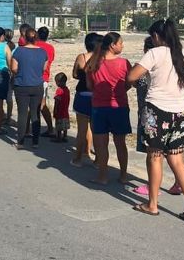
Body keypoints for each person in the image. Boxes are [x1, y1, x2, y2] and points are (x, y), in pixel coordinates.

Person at [127, 19, 184, 224]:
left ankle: (152, 204)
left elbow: (132, 76)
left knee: (155, 157)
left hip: (156, 111)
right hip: (182, 112)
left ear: (156, 36)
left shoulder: (154, 53)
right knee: (177, 159)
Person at [132, 37, 182, 196]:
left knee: (153, 155)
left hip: (151, 116)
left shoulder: (145, 69)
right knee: (173, 154)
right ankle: (179, 182)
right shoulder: (170, 68)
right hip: (173, 113)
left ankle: (152, 187)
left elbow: (132, 81)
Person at [86, 32, 132, 185]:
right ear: (113, 45)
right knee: (120, 144)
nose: (122, 45)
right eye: (121, 43)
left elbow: (89, 86)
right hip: (119, 107)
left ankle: (102, 176)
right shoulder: (124, 63)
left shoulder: (94, 62)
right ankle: (124, 175)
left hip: (99, 107)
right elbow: (128, 83)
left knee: (101, 144)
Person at [11, 29, 48, 149]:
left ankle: (20, 142)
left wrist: (21, 72)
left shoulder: (19, 51)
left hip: (22, 85)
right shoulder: (43, 52)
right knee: (35, 113)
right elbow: (44, 68)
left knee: (22, 114)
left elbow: (13, 68)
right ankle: (35, 142)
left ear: (25, 38)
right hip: (37, 85)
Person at [70, 33, 103, 167]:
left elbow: (74, 74)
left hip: (83, 94)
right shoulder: (102, 58)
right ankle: (97, 160)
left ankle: (78, 158)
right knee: (97, 131)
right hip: (97, 96)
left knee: (82, 130)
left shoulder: (81, 57)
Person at [35, 27, 56, 138]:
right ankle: (50, 128)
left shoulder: (34, 46)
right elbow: (50, 60)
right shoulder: (50, 48)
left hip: (34, 77)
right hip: (44, 78)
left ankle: (30, 129)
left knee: (33, 105)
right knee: (42, 104)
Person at [52, 72, 70, 143]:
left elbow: (57, 101)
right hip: (65, 111)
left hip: (59, 111)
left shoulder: (59, 90)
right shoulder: (67, 90)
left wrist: (55, 110)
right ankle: (65, 136)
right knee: (65, 125)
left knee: (59, 125)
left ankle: (58, 137)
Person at [4, 28, 16, 125]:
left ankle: (1, 115)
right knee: (9, 97)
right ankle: (9, 116)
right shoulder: (14, 47)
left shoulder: (2, 46)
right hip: (12, 73)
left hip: (3, 72)